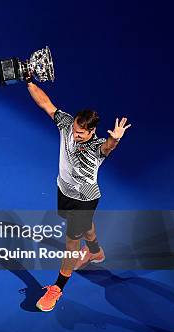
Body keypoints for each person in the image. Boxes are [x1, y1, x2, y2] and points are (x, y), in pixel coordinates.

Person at [26, 80, 131, 312]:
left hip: (85, 198)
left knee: (71, 242)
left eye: (81, 133)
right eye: (74, 130)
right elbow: (46, 105)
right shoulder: (66, 125)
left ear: (92, 131)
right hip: (63, 190)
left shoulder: (98, 146)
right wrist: (29, 82)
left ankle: (57, 288)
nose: (75, 134)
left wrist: (116, 138)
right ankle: (96, 252)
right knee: (84, 228)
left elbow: (109, 147)